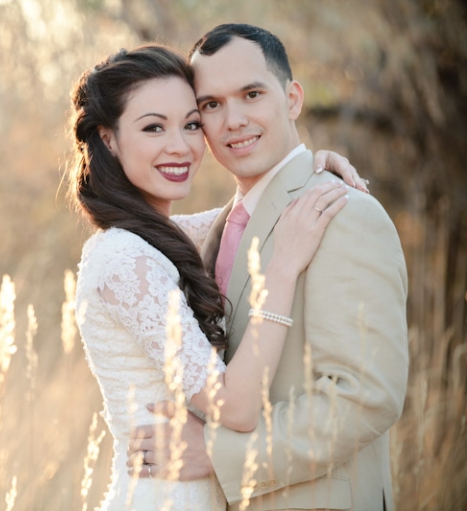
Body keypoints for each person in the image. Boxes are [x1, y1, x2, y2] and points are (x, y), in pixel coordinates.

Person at [127, 24, 409, 511]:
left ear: (293, 98)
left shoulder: (344, 214)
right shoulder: (220, 225)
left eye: (251, 94)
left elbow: (367, 396)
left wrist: (219, 454)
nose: (233, 120)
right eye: (211, 105)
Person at [68, 44, 361, 510]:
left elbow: (250, 213)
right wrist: (281, 269)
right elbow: (235, 409)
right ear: (108, 139)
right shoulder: (123, 258)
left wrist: (310, 171)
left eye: (190, 124)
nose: (180, 146)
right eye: (153, 127)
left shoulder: (162, 239)